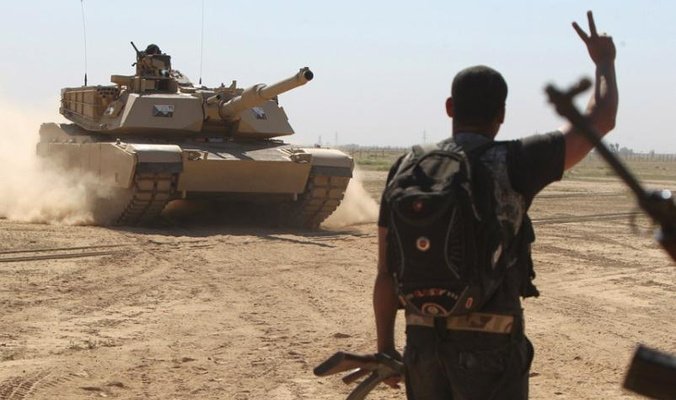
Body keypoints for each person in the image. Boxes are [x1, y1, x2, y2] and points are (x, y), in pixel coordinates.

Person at [373, 11, 617, 399]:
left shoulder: (407, 167)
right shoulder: (516, 160)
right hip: (491, 346)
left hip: (422, 345)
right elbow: (599, 120)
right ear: (502, 114)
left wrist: (385, 347)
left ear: (449, 107)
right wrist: (604, 62)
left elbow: (385, 272)